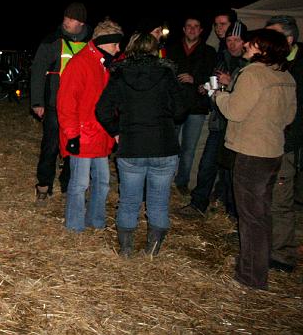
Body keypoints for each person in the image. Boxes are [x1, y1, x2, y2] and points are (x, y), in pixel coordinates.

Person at [213, 28, 296, 290]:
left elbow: (235, 111)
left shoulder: (253, 74)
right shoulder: (285, 76)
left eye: (253, 43)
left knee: (250, 218)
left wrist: (218, 95)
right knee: (262, 214)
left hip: (252, 153)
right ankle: (257, 269)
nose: (247, 45)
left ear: (264, 49)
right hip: (273, 151)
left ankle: (250, 276)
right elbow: (289, 117)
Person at [96, 33, 185, 257]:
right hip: (163, 146)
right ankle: (152, 251)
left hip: (132, 145)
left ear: (131, 49)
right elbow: (181, 110)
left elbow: (102, 110)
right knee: (159, 201)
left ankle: (126, 250)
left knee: (129, 200)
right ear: (155, 50)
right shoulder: (166, 74)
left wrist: (116, 131)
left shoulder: (120, 74)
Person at [178, 21, 247, 219]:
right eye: (229, 40)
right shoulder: (222, 57)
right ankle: (198, 204)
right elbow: (215, 84)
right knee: (207, 164)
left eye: (237, 40)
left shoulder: (249, 63)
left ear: (244, 42)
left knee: (231, 171)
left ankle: (232, 213)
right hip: (219, 122)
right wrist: (208, 87)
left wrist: (230, 81)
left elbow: (248, 93)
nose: (232, 44)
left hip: (238, 126)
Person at [57, 18, 121, 233]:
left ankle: (96, 221)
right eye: (115, 44)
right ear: (103, 42)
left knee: (102, 182)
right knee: (80, 184)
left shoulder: (105, 65)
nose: (118, 48)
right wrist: (72, 135)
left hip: (100, 135)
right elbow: (66, 102)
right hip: (84, 136)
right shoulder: (80, 63)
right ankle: (75, 226)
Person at [30, 2, 92, 202]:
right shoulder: (52, 41)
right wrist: (37, 101)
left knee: (76, 146)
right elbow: (38, 71)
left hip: (82, 107)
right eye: (65, 17)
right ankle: (44, 183)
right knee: (51, 145)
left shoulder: (92, 43)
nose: (66, 22)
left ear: (81, 23)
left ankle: (69, 183)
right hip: (55, 104)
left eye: (71, 19)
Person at [265, 15, 302, 273]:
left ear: (288, 40)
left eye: (272, 36)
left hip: (286, 142)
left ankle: (282, 255)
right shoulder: (275, 63)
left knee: (281, 198)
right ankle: (267, 243)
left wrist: (288, 140)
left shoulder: (297, 68)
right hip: (268, 141)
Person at [166, 17, 216, 195]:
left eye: (196, 26)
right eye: (189, 26)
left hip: (196, 107)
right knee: (170, 145)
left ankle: (182, 182)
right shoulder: (171, 50)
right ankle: (166, 178)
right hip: (174, 106)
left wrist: (197, 81)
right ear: (184, 29)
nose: (192, 29)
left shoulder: (209, 52)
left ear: (201, 30)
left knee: (189, 148)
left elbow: (213, 79)